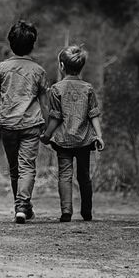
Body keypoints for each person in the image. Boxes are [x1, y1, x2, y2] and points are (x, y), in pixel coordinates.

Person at [0, 19, 49, 224]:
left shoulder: (1, 68)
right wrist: (47, 125)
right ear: (33, 45)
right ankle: (23, 206)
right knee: (27, 167)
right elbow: (44, 103)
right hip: (31, 125)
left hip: (7, 125)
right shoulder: (39, 71)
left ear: (10, 44)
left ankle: (21, 207)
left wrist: (1, 113)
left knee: (15, 169)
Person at [39, 44, 103, 222]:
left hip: (63, 140)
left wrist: (46, 135)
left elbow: (55, 117)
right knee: (84, 176)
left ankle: (66, 211)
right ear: (81, 66)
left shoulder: (56, 89)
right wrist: (99, 135)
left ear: (61, 66)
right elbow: (94, 114)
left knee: (65, 176)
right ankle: (87, 211)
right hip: (84, 139)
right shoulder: (88, 88)